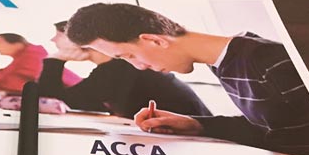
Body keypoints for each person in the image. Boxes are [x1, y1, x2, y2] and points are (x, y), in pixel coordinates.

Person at [65, 3, 309, 155]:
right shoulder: (227, 63)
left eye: (128, 56)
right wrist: (195, 124)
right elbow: (278, 129)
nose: (138, 66)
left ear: (155, 40)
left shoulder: (270, 62)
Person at [38, 21, 211, 119]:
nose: (53, 40)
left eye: (58, 35)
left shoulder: (118, 71)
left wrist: (54, 61)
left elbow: (54, 100)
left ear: (78, 41)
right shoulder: (116, 69)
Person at [0, 32, 81, 95]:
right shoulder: (22, 58)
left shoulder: (33, 57)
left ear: (17, 44)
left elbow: (12, 82)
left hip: (70, 94)